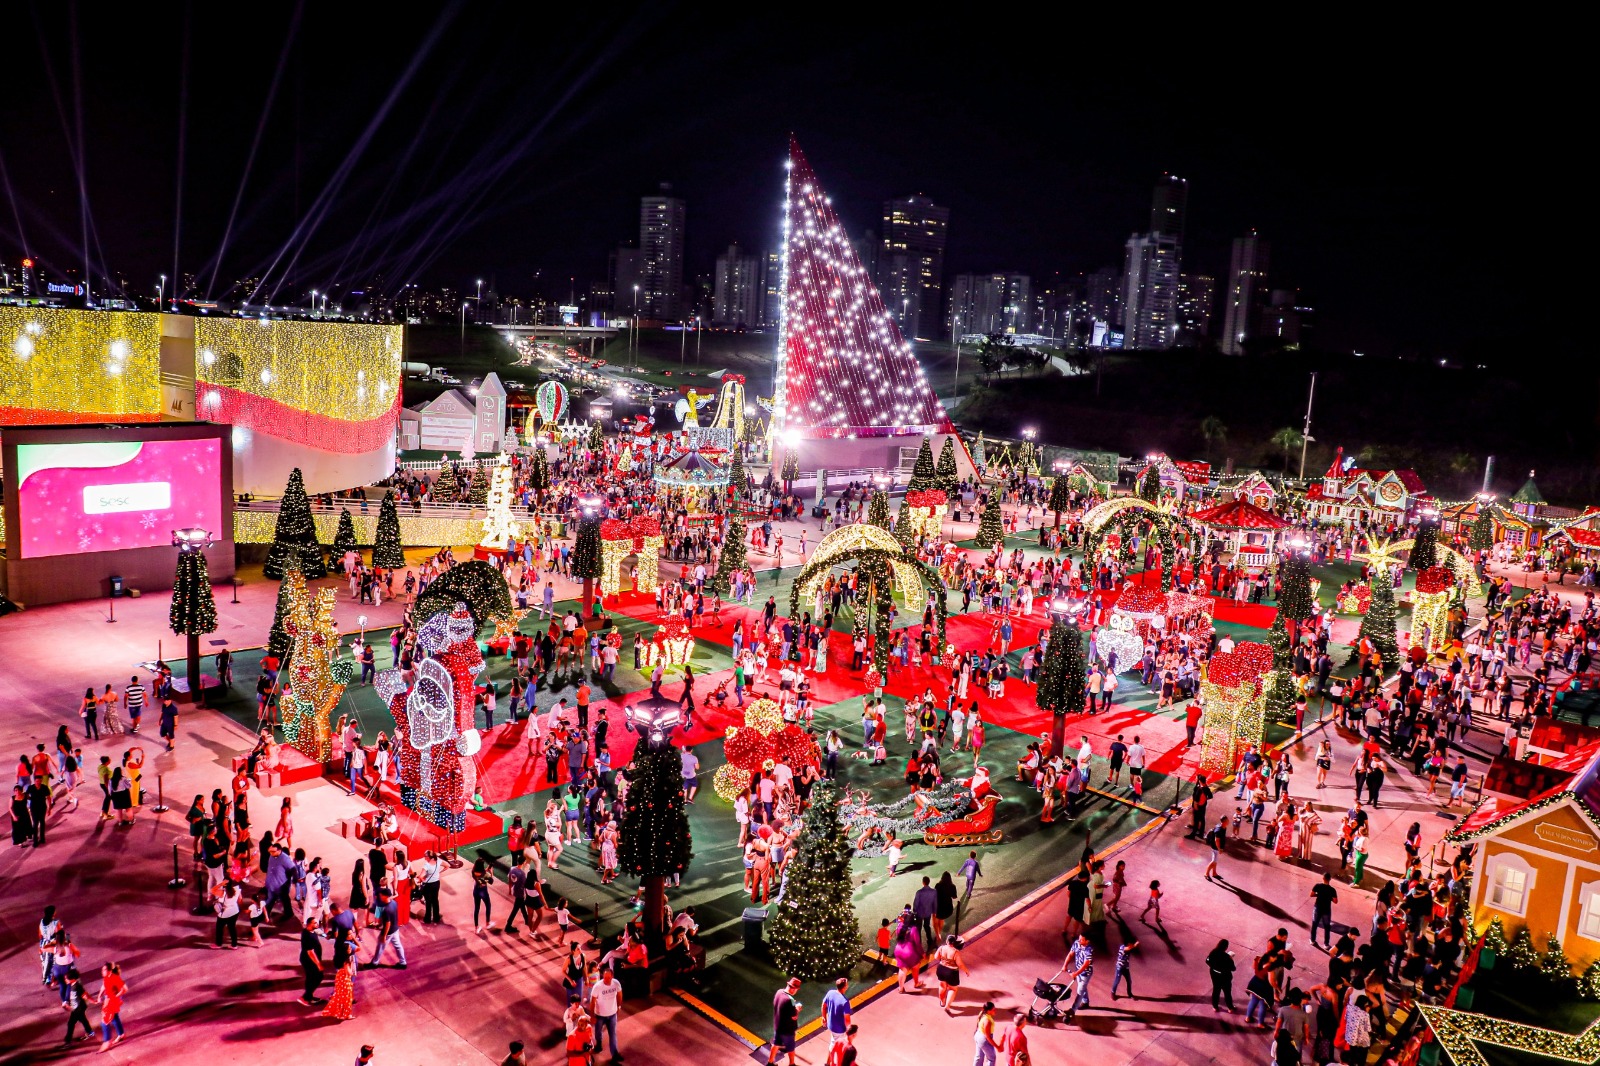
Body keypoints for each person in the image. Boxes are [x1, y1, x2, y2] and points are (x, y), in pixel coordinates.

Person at [589, 965, 622, 1060]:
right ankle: (599, 1045)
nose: (606, 979)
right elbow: (592, 1001)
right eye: (604, 977)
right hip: (600, 1015)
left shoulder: (616, 983)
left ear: (612, 976)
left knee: (613, 1034)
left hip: (612, 1015)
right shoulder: (597, 986)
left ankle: (615, 1054)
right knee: (598, 1033)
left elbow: (620, 995)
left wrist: (619, 1006)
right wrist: (592, 1016)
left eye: (608, 977)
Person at [95, 961, 128, 1050]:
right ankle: (121, 1034)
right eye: (102, 970)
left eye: (104, 970)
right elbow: (104, 986)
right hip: (108, 999)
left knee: (105, 1021)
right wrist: (99, 996)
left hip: (112, 1001)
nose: (102, 971)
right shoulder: (106, 978)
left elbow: (124, 989)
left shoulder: (115, 978)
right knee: (114, 1018)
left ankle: (107, 1041)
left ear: (110, 971)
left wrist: (115, 997)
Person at [770, 977, 802, 1066]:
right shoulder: (790, 1000)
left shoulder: (779, 992)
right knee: (791, 1047)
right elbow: (794, 1017)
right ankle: (792, 1064)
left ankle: (770, 1062)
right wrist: (797, 1009)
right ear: (794, 989)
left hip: (778, 1025)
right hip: (787, 1029)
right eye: (797, 989)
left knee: (776, 1043)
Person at [935, 934, 970, 1011]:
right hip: (951, 972)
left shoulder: (941, 948)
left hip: (941, 969)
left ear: (947, 941)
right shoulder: (955, 952)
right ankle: (947, 1006)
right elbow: (960, 964)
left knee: (942, 986)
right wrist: (966, 971)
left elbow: (936, 957)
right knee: (952, 989)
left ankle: (942, 1002)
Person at [821, 977, 852, 1056]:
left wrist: (824, 1017)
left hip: (831, 1024)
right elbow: (847, 1019)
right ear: (844, 987)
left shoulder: (830, 993)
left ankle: (828, 1063)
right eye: (847, 985)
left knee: (834, 1041)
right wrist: (849, 1032)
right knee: (836, 1046)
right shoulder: (845, 1001)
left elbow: (824, 1005)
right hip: (839, 1029)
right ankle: (832, 1063)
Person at [1206, 939, 1237, 1012]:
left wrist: (1214, 967)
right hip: (1225, 977)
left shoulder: (1213, 952)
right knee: (1227, 992)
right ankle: (1230, 1007)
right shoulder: (1226, 957)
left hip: (1214, 975)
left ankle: (1215, 1006)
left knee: (1216, 990)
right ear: (1226, 947)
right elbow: (1233, 968)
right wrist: (1231, 959)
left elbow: (1207, 961)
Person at [972, 1001, 1000, 1066]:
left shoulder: (982, 1014)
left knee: (979, 1057)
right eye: (993, 1010)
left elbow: (978, 1025)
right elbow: (988, 1037)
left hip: (978, 1035)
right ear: (989, 1011)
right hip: (983, 1039)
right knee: (992, 1058)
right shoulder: (988, 1021)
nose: (995, 1011)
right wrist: (997, 1047)